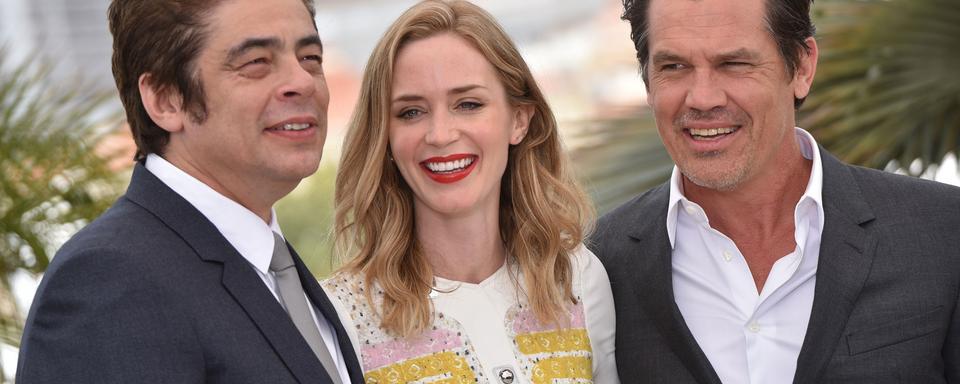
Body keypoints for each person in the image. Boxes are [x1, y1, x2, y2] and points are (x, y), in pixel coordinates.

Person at [589, 0, 960, 382]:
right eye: (674, 67)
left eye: (734, 64)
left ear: (801, 67)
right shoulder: (593, 269)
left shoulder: (944, 233)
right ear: (647, 81)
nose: (702, 98)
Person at [16, 0, 363, 382]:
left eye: (310, 57)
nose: (302, 81)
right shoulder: (113, 280)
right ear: (165, 100)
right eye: (256, 63)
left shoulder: (272, 262)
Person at [322, 1, 619, 382]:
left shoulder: (577, 278)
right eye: (411, 112)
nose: (441, 134)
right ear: (386, 138)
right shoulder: (341, 316)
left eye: (468, 104)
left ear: (519, 121)